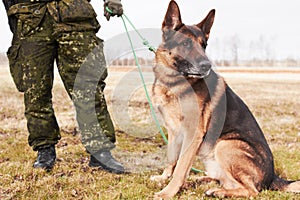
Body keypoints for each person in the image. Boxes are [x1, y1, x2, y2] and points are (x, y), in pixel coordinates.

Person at [2, 0, 125, 174]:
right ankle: (44, 150)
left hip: (74, 15)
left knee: (88, 87)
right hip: (30, 18)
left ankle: (100, 152)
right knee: (35, 91)